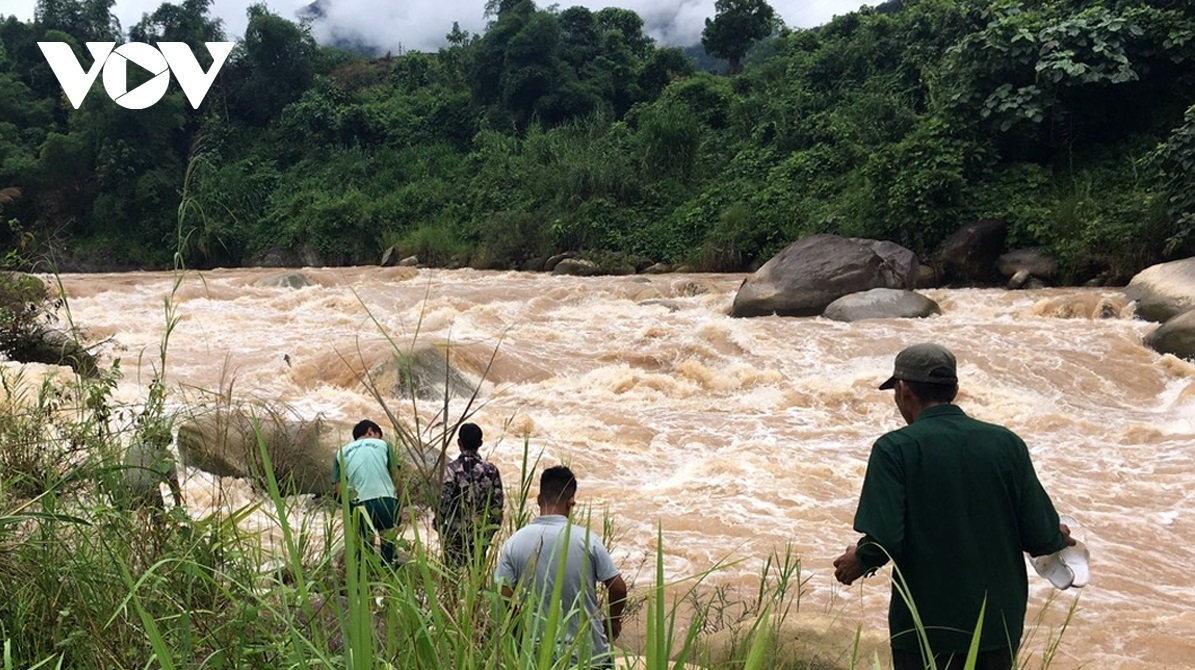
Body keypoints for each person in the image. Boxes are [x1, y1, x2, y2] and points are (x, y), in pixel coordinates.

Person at [833, 343, 1075, 670]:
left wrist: (859, 560)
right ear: (955, 390)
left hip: (924, 628)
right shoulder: (1007, 443)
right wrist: (1057, 535)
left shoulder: (894, 449)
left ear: (903, 390)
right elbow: (1041, 537)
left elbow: (885, 538)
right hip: (996, 627)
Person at [495, 465, 627, 669]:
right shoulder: (587, 540)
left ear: (539, 499)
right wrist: (614, 622)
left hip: (540, 657)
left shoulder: (514, 542)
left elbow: (504, 597)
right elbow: (618, 588)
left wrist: (522, 639)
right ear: (571, 501)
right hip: (589, 656)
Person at [332, 419, 403, 567]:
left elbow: (339, 489)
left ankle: (365, 583)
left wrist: (350, 511)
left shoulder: (341, 453)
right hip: (386, 500)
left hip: (359, 504)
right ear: (371, 432)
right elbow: (396, 477)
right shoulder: (383, 445)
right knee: (388, 545)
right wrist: (399, 504)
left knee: (364, 548)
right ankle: (388, 581)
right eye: (379, 435)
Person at [435, 422, 505, 569]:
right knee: (477, 575)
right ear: (480, 443)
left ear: (459, 442)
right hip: (480, 533)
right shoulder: (491, 470)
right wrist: (490, 530)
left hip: (455, 533)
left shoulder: (451, 469)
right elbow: (497, 506)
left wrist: (438, 523)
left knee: (451, 576)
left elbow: (444, 502)